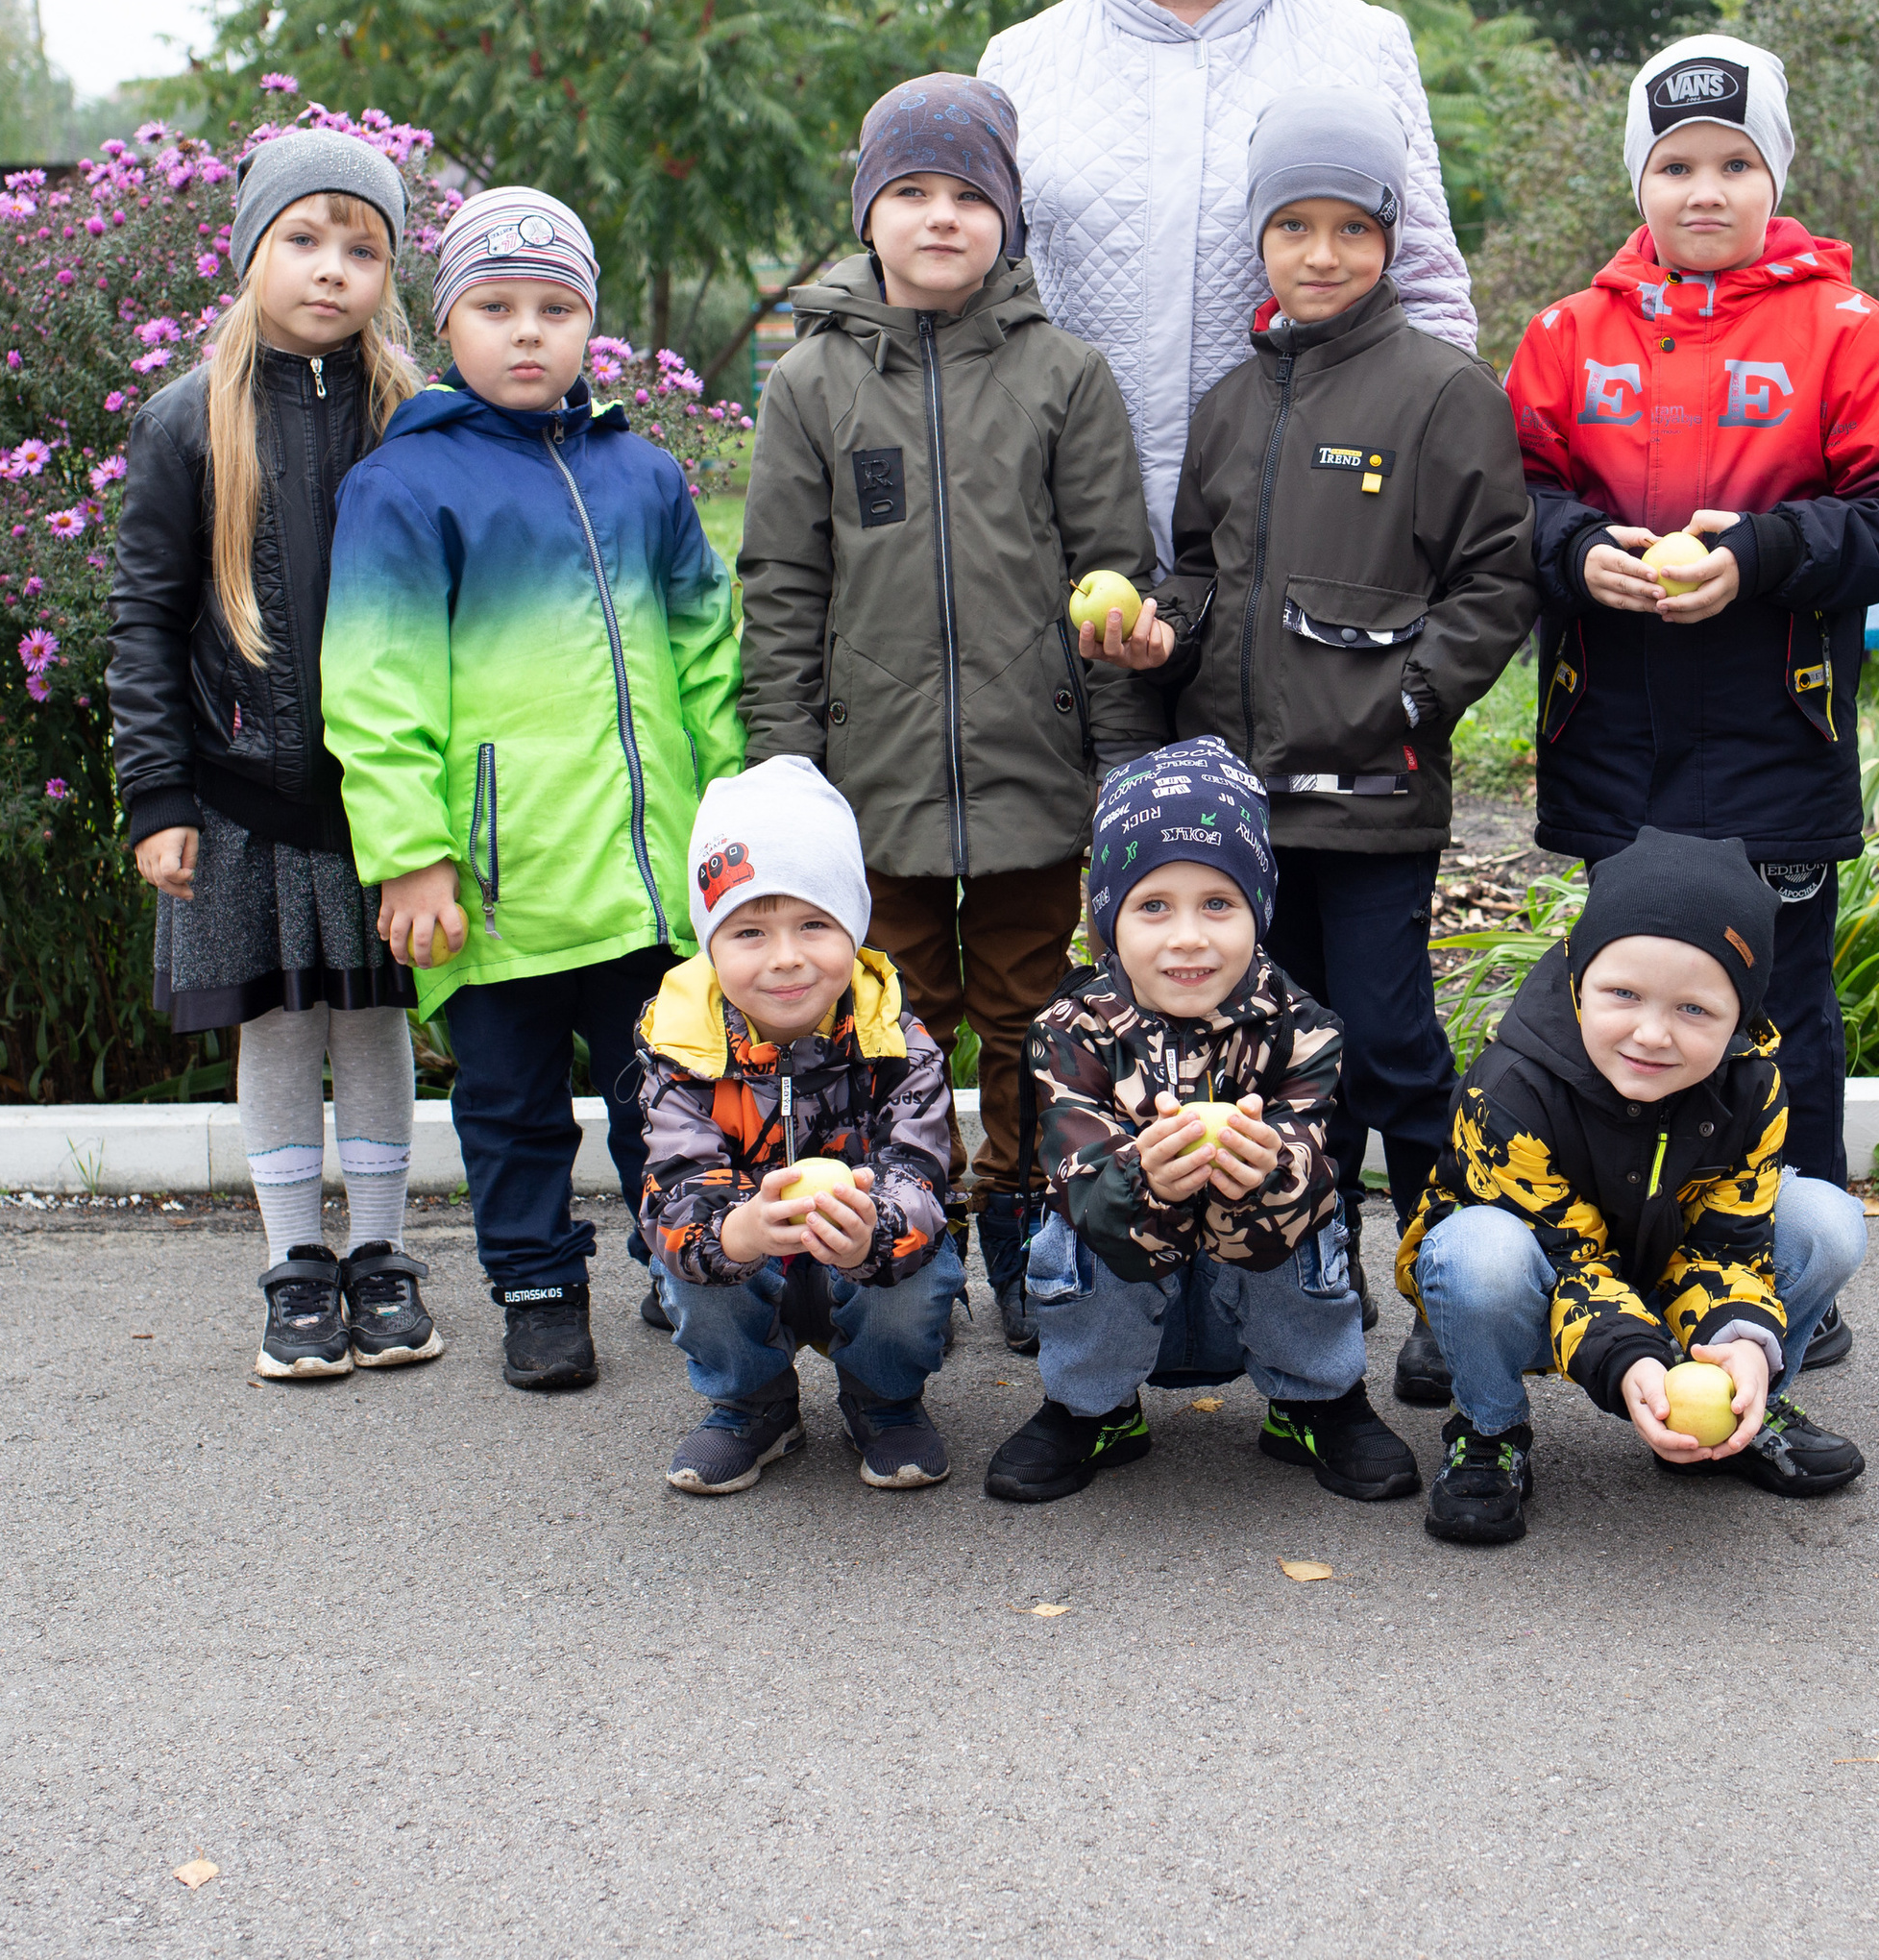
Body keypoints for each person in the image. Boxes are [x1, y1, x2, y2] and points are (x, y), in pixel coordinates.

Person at [1502, 32, 1879, 1363]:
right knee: (1624, 1013)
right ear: (1638, 181)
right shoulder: (1565, 334)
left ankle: (1787, 1295)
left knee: (1783, 1024)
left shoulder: (1845, 329)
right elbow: (1507, 507)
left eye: (1736, 163)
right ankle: (1620, 1273)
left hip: (1777, 746)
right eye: (1676, 163)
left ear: (1778, 174)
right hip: (1615, 746)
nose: (1705, 190)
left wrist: (1755, 559)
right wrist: (1578, 555)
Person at [1087, 86, 1533, 1401]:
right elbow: (1204, 576)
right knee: (1286, 1057)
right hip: (1247, 821)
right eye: (1296, 226)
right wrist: (1158, 633)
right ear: (1262, 238)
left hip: (1375, 800)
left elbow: (1497, 585)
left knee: (1394, 1048)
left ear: (1391, 240)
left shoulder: (1444, 393)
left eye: (1352, 227)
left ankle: (1450, 1287)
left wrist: (1403, 702)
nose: (1324, 253)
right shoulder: (1232, 403)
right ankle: (1308, 1286)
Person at [736, 75, 1155, 1351]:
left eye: (971, 195)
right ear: (868, 214)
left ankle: (1023, 1210)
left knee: (1033, 1006)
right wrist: (783, 784)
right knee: (895, 1015)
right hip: (872, 779)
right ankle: (907, 1217)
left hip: (1036, 769)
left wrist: (1123, 769)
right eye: (911, 192)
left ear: (1007, 220)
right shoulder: (810, 385)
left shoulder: (1063, 377)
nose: (941, 218)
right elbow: (784, 590)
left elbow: (1113, 571)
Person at [323, 186, 744, 1393]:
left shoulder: (644, 475)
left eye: (554, 308)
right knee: (510, 1111)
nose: (526, 333)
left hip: (649, 878)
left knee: (669, 1092)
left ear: (588, 329)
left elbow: (709, 651)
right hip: (493, 886)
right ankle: (539, 1286)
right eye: (494, 306)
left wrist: (728, 825)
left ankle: (679, 1256)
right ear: (445, 325)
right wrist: (411, 849)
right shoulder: (406, 488)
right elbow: (375, 683)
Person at [980, 0, 1476, 566]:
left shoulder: (1362, 43)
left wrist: (1415, 480)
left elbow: (1428, 292)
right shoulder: (1021, 61)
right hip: (1068, 530)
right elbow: (983, 308)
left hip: (1306, 529)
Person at [109, 129, 435, 1383]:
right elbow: (142, 618)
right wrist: (158, 794)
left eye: (362, 247)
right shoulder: (187, 422)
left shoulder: (413, 417)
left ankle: (385, 1260)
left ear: (387, 274)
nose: (330, 268)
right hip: (240, 795)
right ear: (250, 251)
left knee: (370, 1025)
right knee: (282, 1028)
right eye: (303, 239)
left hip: (378, 801)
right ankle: (299, 1265)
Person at [1403, 827, 1870, 1547]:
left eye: (1695, 1010)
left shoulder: (1753, 1086)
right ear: (1579, 980)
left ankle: (1741, 1407)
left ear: (1739, 1018)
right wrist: (1632, 1363)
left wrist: (1738, 1335)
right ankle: (1489, 1427)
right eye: (1624, 993)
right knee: (1477, 1251)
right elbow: (1568, 1264)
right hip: (1529, 1289)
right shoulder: (1511, 1089)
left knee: (1828, 1220)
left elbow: (1731, 1246)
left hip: (1659, 1267)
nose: (1651, 1034)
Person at [985, 738, 1420, 1505]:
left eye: (1218, 904)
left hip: (1247, 1282)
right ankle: (1091, 1405)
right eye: (1154, 906)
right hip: (1124, 1285)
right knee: (1075, 1219)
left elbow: (1316, 1162)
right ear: (1108, 920)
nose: (1188, 936)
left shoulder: (1303, 1028)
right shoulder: (1071, 1033)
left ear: (1261, 913)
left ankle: (1316, 1399)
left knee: (1312, 1206)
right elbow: (1077, 1181)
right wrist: (1137, 1175)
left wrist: (1271, 1171)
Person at [635, 756, 966, 1494]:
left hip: (863, 1249)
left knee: (919, 1263)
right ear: (709, 946)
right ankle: (754, 1404)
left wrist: (870, 1233)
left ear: (854, 928)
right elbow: (675, 1191)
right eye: (749, 932)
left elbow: (919, 1176)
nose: (786, 959)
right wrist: (739, 1232)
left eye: (815, 924)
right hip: (751, 1253)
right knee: (685, 1265)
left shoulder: (898, 1044)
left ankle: (884, 1398)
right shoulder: (681, 1048)